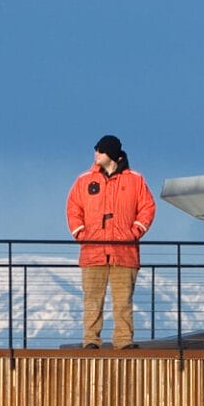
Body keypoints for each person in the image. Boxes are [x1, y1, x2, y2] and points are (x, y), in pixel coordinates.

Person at [65, 135, 156, 348]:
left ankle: (123, 340)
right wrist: (80, 233)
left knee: (123, 301)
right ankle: (91, 340)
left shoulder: (135, 180)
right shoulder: (84, 180)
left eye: (100, 150)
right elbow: (73, 207)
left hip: (124, 252)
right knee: (92, 300)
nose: (96, 154)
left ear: (112, 155)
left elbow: (147, 207)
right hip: (93, 251)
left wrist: (135, 231)